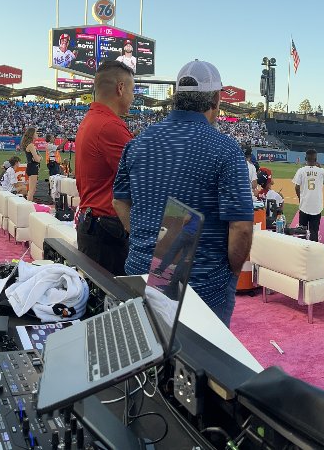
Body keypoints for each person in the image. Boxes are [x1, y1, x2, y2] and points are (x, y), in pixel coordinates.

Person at [113, 60, 254, 324]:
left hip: (139, 275)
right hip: (201, 286)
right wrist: (232, 274)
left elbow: (119, 202)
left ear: (177, 97)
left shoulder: (137, 143)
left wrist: (147, 240)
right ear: (216, 98)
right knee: (202, 363)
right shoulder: (225, 148)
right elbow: (242, 228)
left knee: (147, 357)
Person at [74, 60, 135, 275]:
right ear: (120, 88)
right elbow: (140, 180)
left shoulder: (91, 120)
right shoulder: (110, 125)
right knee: (115, 303)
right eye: (132, 90)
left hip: (94, 225)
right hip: (107, 231)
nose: (133, 97)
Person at [291, 149, 324, 241]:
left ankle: (302, 252)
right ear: (316, 159)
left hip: (304, 205)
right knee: (314, 231)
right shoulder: (321, 171)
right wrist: (320, 167)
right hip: (316, 206)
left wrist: (300, 198)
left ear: (305, 158)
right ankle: (313, 252)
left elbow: (297, 187)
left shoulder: (301, 170)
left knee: (302, 232)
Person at [21, 127, 42, 202]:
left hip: (31, 167)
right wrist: (39, 158)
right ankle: (28, 205)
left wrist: (38, 158)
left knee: (32, 189)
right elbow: (37, 159)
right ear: (32, 134)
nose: (37, 134)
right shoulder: (31, 145)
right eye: (35, 133)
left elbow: (35, 158)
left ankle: (28, 203)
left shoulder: (30, 145)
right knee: (32, 190)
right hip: (33, 167)